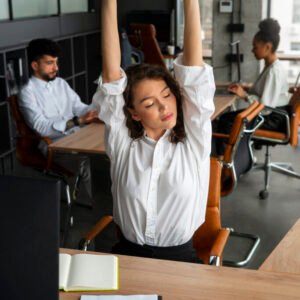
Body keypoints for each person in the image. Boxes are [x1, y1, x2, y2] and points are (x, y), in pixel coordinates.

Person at [92, 0, 215, 262]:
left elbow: (194, 72)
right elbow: (112, 77)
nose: (164, 106)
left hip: (181, 259)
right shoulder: (124, 145)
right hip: (127, 257)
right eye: (149, 103)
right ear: (134, 113)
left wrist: (190, 3)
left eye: (167, 95)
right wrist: (108, 3)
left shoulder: (193, 142)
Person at [19, 38, 98, 198]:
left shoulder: (60, 83)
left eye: (56, 62)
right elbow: (41, 127)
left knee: (109, 150)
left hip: (78, 136)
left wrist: (98, 108)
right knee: (89, 161)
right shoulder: (27, 92)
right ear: (35, 65)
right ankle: (93, 209)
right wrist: (77, 121)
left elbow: (80, 107)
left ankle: (111, 205)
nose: (56, 67)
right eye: (50, 63)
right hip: (55, 145)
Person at [216, 18, 291, 154]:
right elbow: (262, 92)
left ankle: (225, 166)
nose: (252, 50)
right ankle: (229, 160)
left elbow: (265, 108)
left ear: (268, 47)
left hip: (273, 119)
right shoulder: (270, 67)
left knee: (226, 121)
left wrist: (244, 95)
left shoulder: (274, 71)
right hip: (272, 115)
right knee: (227, 119)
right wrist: (244, 89)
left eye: (255, 46)